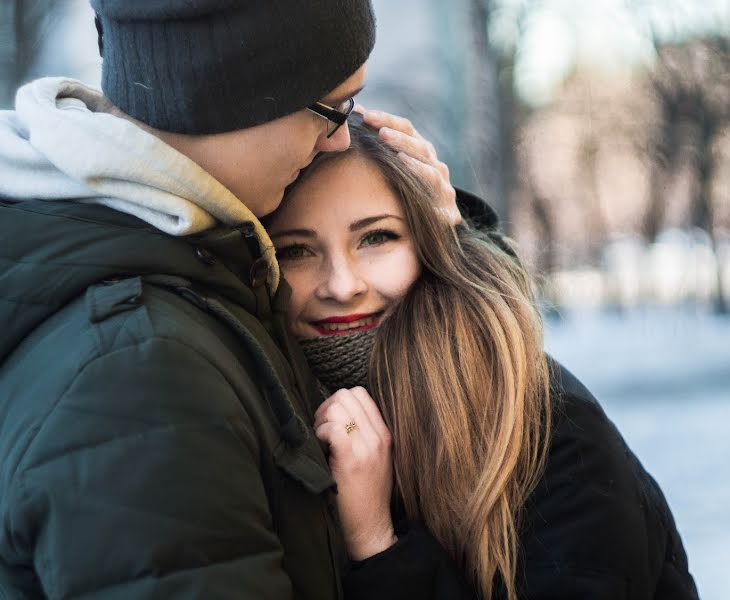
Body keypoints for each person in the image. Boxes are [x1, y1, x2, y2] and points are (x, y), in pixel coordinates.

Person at [0, 2, 457, 597]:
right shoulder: (143, 374)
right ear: (228, 95)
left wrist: (454, 266)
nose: (341, 139)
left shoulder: (187, 272)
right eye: (331, 109)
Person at [264, 119, 701, 599]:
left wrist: (377, 543)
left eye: (376, 238)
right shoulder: (257, 406)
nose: (343, 285)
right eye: (297, 250)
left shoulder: (542, 428)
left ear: (431, 245)